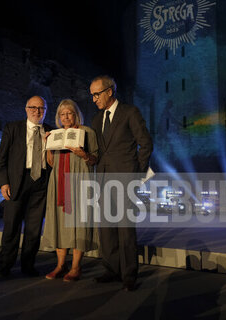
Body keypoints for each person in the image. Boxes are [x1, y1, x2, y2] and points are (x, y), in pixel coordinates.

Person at [90, 75, 153, 291]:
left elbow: (145, 143)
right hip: (103, 178)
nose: (93, 99)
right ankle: (111, 269)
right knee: (106, 228)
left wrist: (137, 173)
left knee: (126, 229)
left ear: (109, 91)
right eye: (92, 95)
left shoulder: (130, 112)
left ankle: (129, 274)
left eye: (96, 94)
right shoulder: (97, 120)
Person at [42, 99, 99, 282]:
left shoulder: (87, 132)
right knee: (59, 222)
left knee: (78, 224)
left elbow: (95, 160)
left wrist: (84, 154)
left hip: (79, 181)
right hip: (58, 182)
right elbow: (51, 163)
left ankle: (75, 267)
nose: (66, 117)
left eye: (69, 113)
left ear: (76, 114)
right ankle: (60, 265)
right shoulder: (56, 134)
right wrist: (47, 146)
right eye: (62, 114)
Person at [0, 96, 52, 277]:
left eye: (41, 108)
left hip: (41, 182)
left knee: (34, 229)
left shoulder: (52, 131)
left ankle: (28, 266)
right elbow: (1, 159)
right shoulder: (13, 128)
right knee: (11, 226)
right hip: (17, 182)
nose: (37, 111)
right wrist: (3, 182)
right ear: (26, 109)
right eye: (33, 107)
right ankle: (5, 266)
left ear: (46, 110)